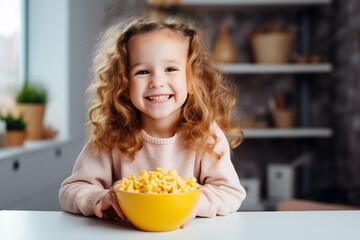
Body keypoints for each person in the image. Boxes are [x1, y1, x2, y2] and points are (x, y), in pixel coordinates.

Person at [59, 17, 246, 228]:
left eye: (171, 69)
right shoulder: (111, 137)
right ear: (124, 85)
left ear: (192, 80)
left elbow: (230, 192)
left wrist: (189, 203)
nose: (157, 82)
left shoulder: (206, 135)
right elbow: (70, 191)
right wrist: (100, 198)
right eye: (142, 72)